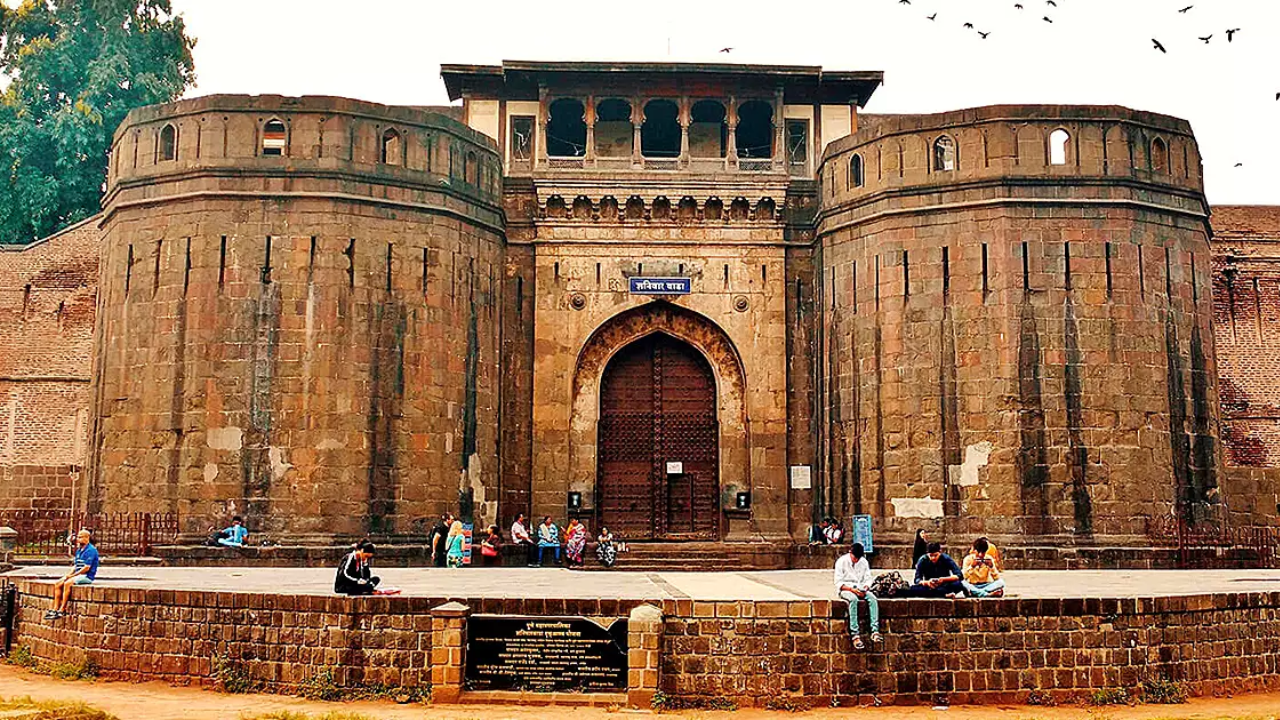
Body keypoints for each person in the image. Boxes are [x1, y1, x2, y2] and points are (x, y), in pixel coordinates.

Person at [834, 541, 881, 650]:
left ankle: (875, 630)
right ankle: (855, 633)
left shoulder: (863, 562)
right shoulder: (841, 562)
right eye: (855, 557)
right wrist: (852, 590)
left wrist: (865, 587)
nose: (856, 560)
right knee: (853, 600)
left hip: (860, 587)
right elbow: (838, 583)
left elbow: (868, 578)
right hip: (847, 588)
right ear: (850, 553)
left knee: (873, 599)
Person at [46, 529, 98, 620]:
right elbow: (76, 565)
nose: (78, 539)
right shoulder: (79, 550)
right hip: (77, 575)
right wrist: (68, 575)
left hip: (86, 576)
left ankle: (62, 610)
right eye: (78, 537)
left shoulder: (91, 550)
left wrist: (72, 576)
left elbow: (86, 568)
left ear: (87, 538)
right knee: (58, 583)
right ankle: (55, 609)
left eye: (80, 537)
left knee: (67, 583)